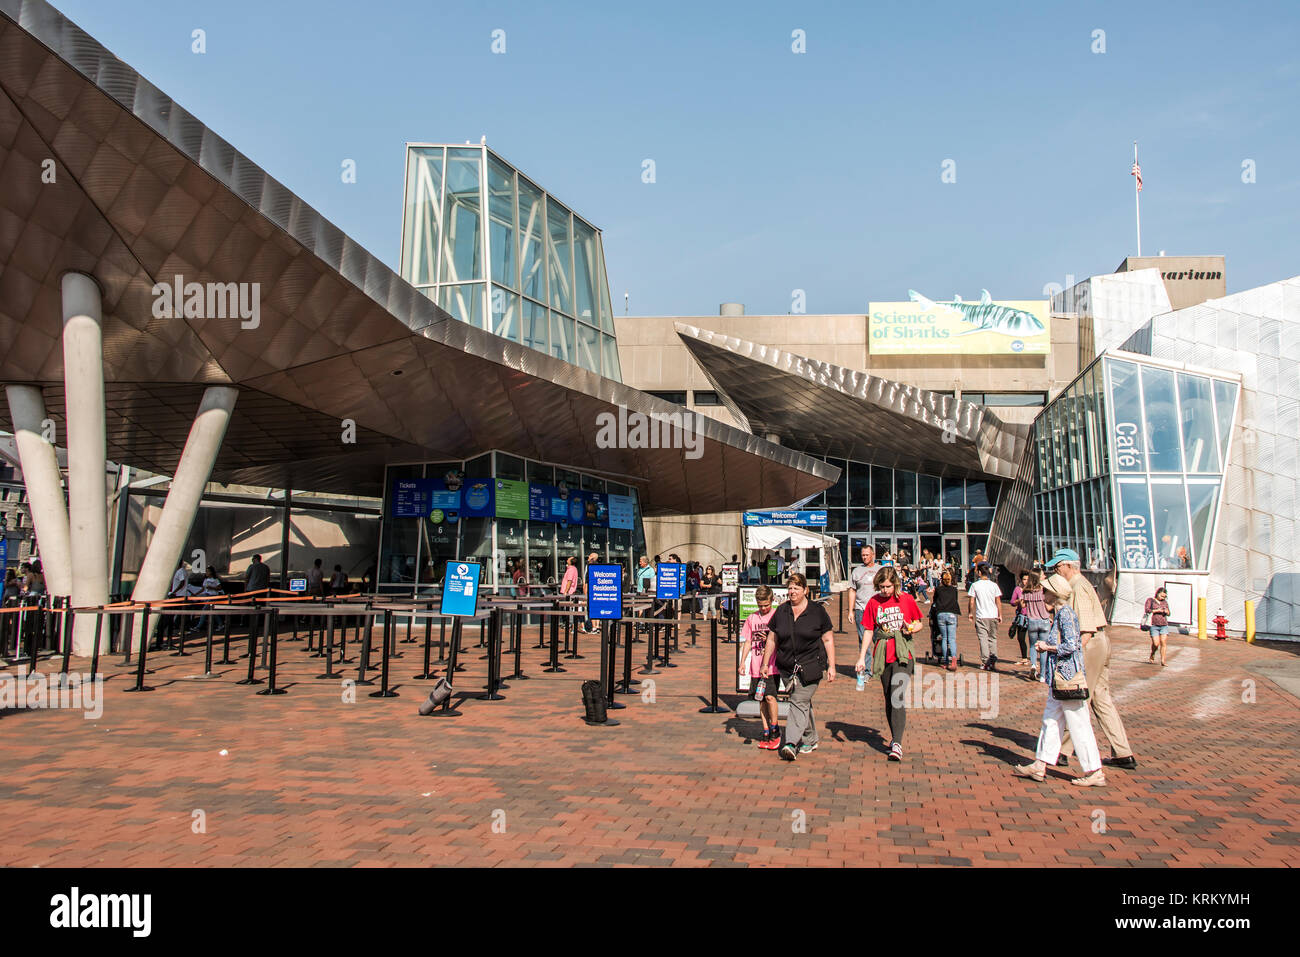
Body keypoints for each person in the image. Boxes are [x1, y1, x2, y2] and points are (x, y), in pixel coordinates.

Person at [1046, 548, 1138, 771]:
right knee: (1100, 699)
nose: (1056, 571)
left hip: (1091, 643)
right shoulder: (1081, 585)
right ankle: (1122, 751)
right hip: (1100, 641)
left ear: (1069, 566)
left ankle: (1063, 751)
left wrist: (1073, 656)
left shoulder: (1078, 587)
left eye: (1058, 567)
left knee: (1076, 695)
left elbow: (1085, 629)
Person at [1012, 573, 1107, 787]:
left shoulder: (1064, 614)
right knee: (1051, 720)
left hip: (1067, 676)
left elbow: (1072, 645)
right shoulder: (1060, 614)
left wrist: (1048, 647)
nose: (1042, 594)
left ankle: (1094, 770)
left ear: (1055, 594)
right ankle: (1041, 763)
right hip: (1059, 677)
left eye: (1046, 591)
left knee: (1078, 723)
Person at [855, 566, 924, 761]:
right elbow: (868, 630)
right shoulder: (874, 602)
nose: (885, 590)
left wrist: (912, 628)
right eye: (882, 586)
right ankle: (895, 735)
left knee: (897, 695)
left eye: (888, 586)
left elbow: (919, 622)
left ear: (895, 584)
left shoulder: (906, 600)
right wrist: (861, 658)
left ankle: (897, 742)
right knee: (888, 697)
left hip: (903, 653)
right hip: (883, 652)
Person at [767, 573, 835, 761]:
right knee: (803, 703)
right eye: (789, 588)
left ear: (805, 590)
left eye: (796, 588)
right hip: (787, 667)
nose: (792, 592)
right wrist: (765, 663)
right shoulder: (781, 611)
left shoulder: (817, 612)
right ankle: (811, 738)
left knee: (798, 701)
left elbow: (828, 639)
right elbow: (772, 639)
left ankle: (790, 742)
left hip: (812, 666)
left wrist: (832, 666)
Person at [741, 585, 781, 749]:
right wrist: (742, 661)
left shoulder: (777, 616)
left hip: (772, 666)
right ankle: (765, 730)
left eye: (766, 605)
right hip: (756, 664)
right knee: (761, 699)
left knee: (770, 697)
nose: (764, 608)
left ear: (772, 600)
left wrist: (770, 641)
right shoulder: (752, 619)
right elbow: (748, 641)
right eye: (760, 605)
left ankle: (775, 729)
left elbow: (783, 640)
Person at [966, 562, 1002, 670]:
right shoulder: (994, 585)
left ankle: (985, 661)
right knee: (993, 638)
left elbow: (972, 601)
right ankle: (993, 659)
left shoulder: (975, 585)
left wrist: (970, 613)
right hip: (993, 615)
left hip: (981, 615)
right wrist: (1000, 615)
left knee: (983, 639)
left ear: (980, 573)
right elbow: (998, 601)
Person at [1020, 572, 1053, 680]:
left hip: (1032, 621)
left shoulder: (1027, 591)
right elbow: (1048, 608)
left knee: (1033, 645)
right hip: (1044, 620)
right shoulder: (1043, 591)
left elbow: (1023, 605)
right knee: (1043, 648)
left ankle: (1033, 664)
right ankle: (1043, 675)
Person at [849, 545, 882, 649]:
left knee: (879, 640)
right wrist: (851, 610)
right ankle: (865, 665)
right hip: (861, 609)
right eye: (863, 555)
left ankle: (880, 664)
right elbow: (852, 590)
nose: (864, 557)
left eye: (867, 555)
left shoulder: (881, 570)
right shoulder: (856, 571)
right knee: (863, 640)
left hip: (878, 609)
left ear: (873, 555)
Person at [929, 569, 961, 670]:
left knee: (944, 638)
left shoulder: (938, 589)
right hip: (951, 613)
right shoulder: (954, 590)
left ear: (942, 580)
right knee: (952, 639)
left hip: (941, 614)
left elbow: (935, 601)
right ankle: (954, 659)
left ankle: (946, 661)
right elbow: (955, 600)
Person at [1145, 587, 1172, 666]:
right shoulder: (1150, 600)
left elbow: (1169, 613)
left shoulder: (1165, 602)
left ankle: (1163, 660)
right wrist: (1157, 610)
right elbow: (1147, 610)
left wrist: (1167, 612)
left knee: (1163, 642)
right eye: (1161, 596)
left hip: (1164, 624)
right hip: (1154, 625)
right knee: (1156, 643)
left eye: (1164, 597)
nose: (1162, 598)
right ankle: (1152, 653)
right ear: (1157, 593)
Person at [1010, 572, 1031, 667]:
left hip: (1032, 616)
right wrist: (1018, 601)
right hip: (1022, 617)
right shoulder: (1018, 589)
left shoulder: (1033, 590)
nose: (1026, 581)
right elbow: (1012, 602)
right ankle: (1024, 658)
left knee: (1033, 638)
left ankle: (1034, 659)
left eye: (1027, 579)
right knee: (1021, 637)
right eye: (1024, 579)